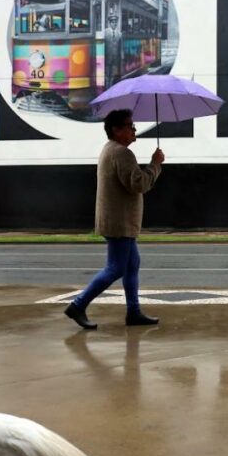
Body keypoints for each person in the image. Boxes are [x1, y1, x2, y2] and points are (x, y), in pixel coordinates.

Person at [65, 109, 164, 330]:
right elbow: (138, 184)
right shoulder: (122, 153)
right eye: (130, 126)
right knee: (116, 268)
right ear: (116, 130)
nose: (134, 130)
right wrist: (155, 164)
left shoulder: (110, 149)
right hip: (120, 222)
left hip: (116, 220)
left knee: (131, 264)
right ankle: (78, 305)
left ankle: (133, 312)